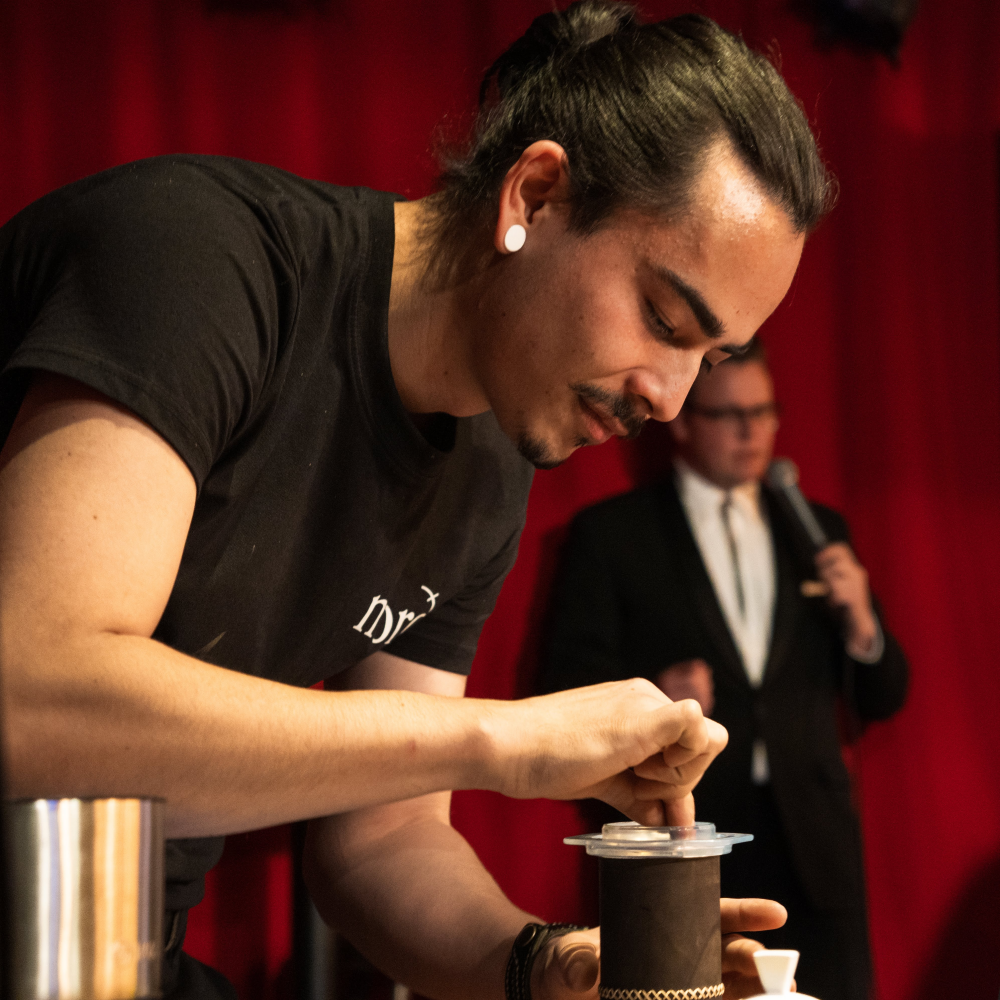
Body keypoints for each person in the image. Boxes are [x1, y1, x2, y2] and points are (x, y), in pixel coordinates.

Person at [0, 4, 834, 999]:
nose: (669, 398)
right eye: (662, 318)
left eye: (712, 356)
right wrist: (508, 740)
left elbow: (380, 837)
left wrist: (549, 965)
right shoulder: (202, 262)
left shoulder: (491, 465)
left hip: (113, 955)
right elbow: (31, 704)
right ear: (537, 190)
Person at [540, 340, 909, 1000]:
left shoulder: (818, 530)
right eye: (730, 414)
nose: (751, 431)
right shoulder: (614, 534)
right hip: (692, 833)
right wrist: (655, 699)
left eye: (764, 412)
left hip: (818, 845)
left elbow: (884, 695)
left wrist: (863, 627)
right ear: (682, 421)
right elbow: (559, 686)